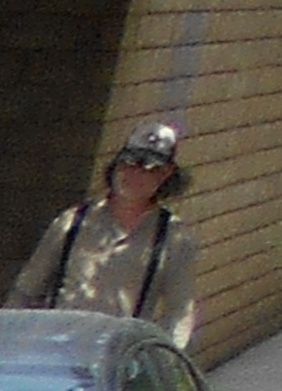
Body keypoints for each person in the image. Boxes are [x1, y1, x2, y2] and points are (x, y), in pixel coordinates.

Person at [13, 120, 198, 350]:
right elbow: (27, 289)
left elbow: (179, 312)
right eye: (129, 163)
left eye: (150, 169)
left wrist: (166, 360)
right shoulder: (73, 221)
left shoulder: (173, 237)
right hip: (57, 349)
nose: (135, 175)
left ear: (166, 175)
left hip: (117, 359)